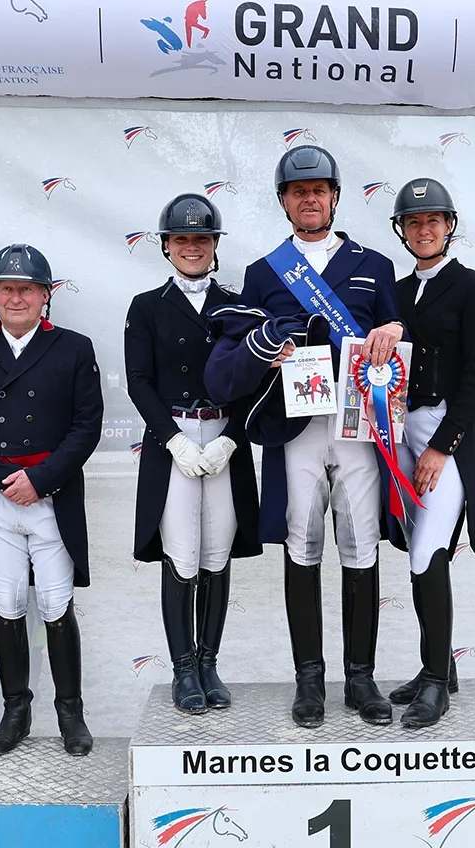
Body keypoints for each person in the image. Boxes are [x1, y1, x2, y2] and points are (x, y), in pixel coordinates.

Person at [205, 144, 405, 728]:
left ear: (336, 197)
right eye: (298, 191)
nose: (310, 198)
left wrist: (394, 327)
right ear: (284, 201)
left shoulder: (375, 265)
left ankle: (361, 678)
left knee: (361, 542)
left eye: (319, 189)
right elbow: (245, 341)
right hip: (296, 425)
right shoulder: (264, 271)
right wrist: (268, 349)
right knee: (303, 542)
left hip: (359, 423)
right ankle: (309, 680)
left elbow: (398, 332)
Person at [0, 244, 102, 757]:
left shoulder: (75, 348)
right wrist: (3, 478)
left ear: (45, 296)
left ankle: (70, 713)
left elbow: (86, 426)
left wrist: (43, 479)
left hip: (51, 496)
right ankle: (15, 711)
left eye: (27, 289)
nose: (16, 297)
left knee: (57, 604)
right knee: (8, 605)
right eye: (6, 288)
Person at [125, 194, 262, 715]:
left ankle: (209, 662)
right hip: (176, 438)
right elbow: (139, 381)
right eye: (181, 239)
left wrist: (233, 438)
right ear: (166, 246)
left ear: (214, 246)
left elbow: (254, 378)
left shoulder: (237, 305)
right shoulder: (146, 307)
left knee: (216, 554)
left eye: (201, 239)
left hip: (225, 436)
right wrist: (173, 440)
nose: (191, 247)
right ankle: (183, 669)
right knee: (181, 554)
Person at [382, 178, 475, 729]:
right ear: (402, 231)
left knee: (429, 549)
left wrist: (440, 447)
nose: (423, 230)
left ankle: (435, 685)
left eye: (433, 221)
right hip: (399, 427)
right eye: (413, 222)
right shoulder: (396, 293)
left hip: (445, 431)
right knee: (411, 547)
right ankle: (440, 665)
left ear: (449, 226)